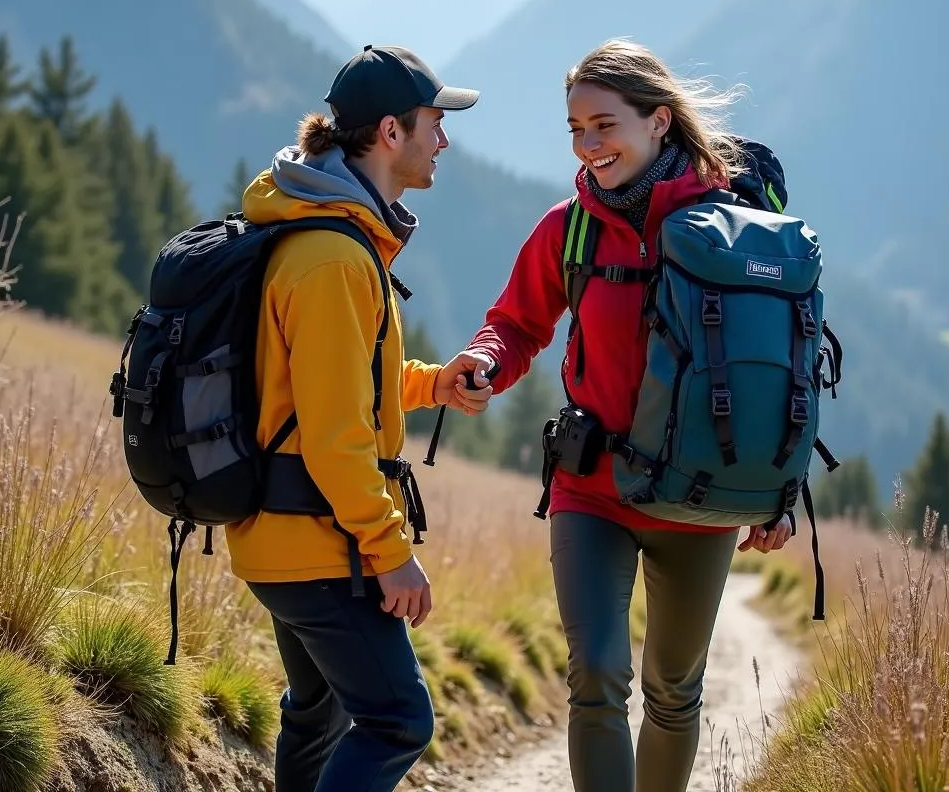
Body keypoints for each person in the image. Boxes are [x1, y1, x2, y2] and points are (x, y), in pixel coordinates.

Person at [462, 39, 794, 792]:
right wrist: (484, 360)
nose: (588, 146)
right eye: (576, 129)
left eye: (604, 125)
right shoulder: (570, 228)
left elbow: (778, 369)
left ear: (661, 122)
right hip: (593, 489)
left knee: (674, 692)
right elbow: (516, 323)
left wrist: (780, 490)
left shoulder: (736, 235)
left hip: (698, 497)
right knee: (598, 674)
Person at [225, 44, 496, 792]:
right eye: (433, 124)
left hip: (286, 533)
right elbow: (335, 435)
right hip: (321, 546)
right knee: (397, 721)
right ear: (389, 133)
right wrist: (389, 550)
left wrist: (435, 383)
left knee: (318, 714)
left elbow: (344, 385)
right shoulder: (332, 258)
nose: (443, 139)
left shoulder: (326, 233)